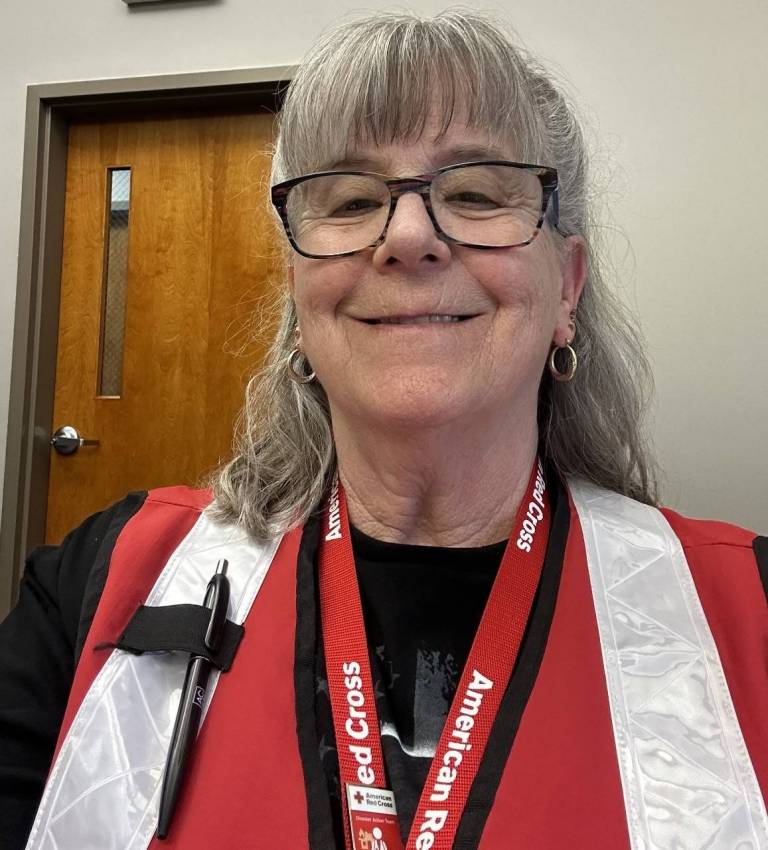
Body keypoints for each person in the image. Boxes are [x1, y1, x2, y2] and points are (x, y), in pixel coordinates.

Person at [1, 10, 766, 850]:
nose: (406, 237)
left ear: (567, 288)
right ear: (299, 289)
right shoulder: (104, 583)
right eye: (352, 199)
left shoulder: (746, 611)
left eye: (475, 192)